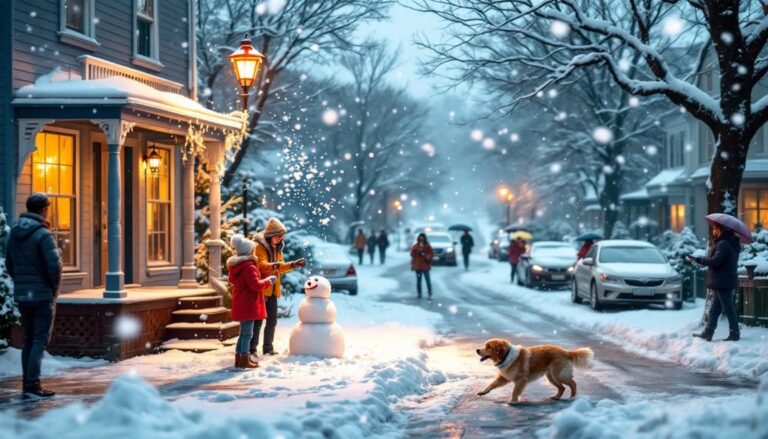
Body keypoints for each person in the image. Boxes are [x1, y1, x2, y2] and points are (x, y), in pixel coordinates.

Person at [5, 193, 62, 398]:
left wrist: (21, 283)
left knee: (28, 339)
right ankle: (33, 384)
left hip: (23, 295)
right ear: (44, 209)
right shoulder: (43, 235)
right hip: (41, 295)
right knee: (39, 340)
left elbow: (9, 263)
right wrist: (53, 289)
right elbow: (54, 267)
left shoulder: (14, 233)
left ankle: (27, 383)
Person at [251, 218, 306, 357]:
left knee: (272, 320)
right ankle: (252, 349)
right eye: (278, 236)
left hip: (273, 289)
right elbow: (261, 266)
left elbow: (280, 267)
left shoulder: (277, 248)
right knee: (258, 321)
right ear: (270, 235)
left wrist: (293, 265)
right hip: (262, 289)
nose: (281, 238)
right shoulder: (259, 247)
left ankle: (268, 348)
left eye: (282, 236)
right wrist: (275, 265)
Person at [227, 234, 276, 369]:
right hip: (248, 303)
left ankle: (239, 358)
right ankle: (244, 358)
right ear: (249, 251)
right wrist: (269, 281)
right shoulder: (249, 267)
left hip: (241, 302)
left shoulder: (238, 266)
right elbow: (256, 286)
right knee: (247, 334)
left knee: (243, 333)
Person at [689, 223, 741, 342]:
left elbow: (715, 261)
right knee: (714, 309)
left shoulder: (723, 244)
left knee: (728, 308)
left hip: (723, 280)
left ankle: (735, 333)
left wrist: (698, 259)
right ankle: (709, 332)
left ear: (720, 230)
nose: (713, 230)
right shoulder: (728, 242)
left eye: (714, 228)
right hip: (723, 280)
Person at [410, 233, 434, 298]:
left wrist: (425, 255)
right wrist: (416, 252)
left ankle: (429, 292)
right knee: (419, 280)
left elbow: (431, 254)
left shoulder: (427, 246)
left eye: (422, 239)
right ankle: (419, 293)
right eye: (420, 239)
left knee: (427, 280)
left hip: (425, 266)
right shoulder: (415, 246)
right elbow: (412, 254)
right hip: (418, 266)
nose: (421, 240)